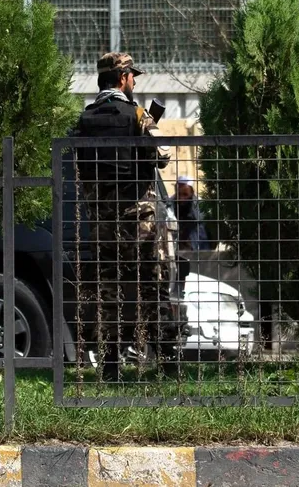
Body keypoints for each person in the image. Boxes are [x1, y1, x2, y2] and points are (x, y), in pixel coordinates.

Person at [71, 52, 172, 379]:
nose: (134, 82)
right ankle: (168, 361)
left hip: (102, 224)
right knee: (153, 287)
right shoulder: (137, 114)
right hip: (139, 221)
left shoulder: (85, 120)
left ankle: (110, 365)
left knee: (109, 293)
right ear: (123, 78)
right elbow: (164, 154)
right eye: (132, 77)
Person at [171, 176, 210, 252]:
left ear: (192, 192)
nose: (181, 198)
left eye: (185, 194)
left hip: (199, 248)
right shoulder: (170, 205)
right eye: (179, 194)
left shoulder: (200, 206)